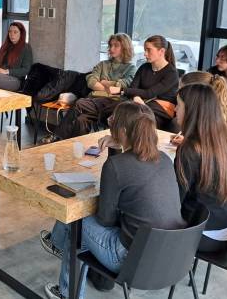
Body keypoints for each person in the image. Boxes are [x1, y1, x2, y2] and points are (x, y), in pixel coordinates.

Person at [41, 102, 185, 299]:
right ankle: (57, 244)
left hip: (130, 260)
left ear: (123, 131)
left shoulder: (116, 166)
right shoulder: (165, 159)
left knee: (77, 221)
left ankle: (66, 291)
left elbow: (105, 220)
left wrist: (116, 152)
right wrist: (119, 147)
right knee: (83, 226)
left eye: (113, 122)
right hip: (171, 257)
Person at [52, 35, 179, 141]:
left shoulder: (171, 73)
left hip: (155, 109)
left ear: (161, 51)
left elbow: (150, 92)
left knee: (83, 106)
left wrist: (121, 90)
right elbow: (134, 88)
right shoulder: (144, 67)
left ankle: (58, 139)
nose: (145, 54)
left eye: (148, 50)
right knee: (82, 116)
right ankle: (72, 146)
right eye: (145, 50)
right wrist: (136, 97)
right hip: (135, 103)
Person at [175, 84, 227, 253]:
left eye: (178, 105)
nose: (174, 109)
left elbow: (176, 201)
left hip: (206, 234)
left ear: (191, 110)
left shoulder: (189, 149)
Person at [50, 33, 136, 140]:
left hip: (112, 103)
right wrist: (111, 87)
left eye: (116, 45)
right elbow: (91, 82)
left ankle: (56, 137)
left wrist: (103, 82)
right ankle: (76, 147)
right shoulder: (102, 64)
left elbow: (123, 86)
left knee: (80, 103)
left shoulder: (131, 68)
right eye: (110, 45)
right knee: (81, 120)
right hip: (94, 101)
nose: (111, 48)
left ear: (125, 47)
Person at [170, 71, 227, 145]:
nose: (179, 94)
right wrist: (188, 142)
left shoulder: (211, 128)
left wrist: (190, 145)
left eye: (182, 91)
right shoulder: (216, 122)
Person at [0, 22, 33, 91]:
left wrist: (7, 71)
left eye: (15, 32)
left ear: (21, 34)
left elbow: (26, 70)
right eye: (10, 32)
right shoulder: (5, 46)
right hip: (1, 77)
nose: (12, 34)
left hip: (15, 81)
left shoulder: (26, 47)